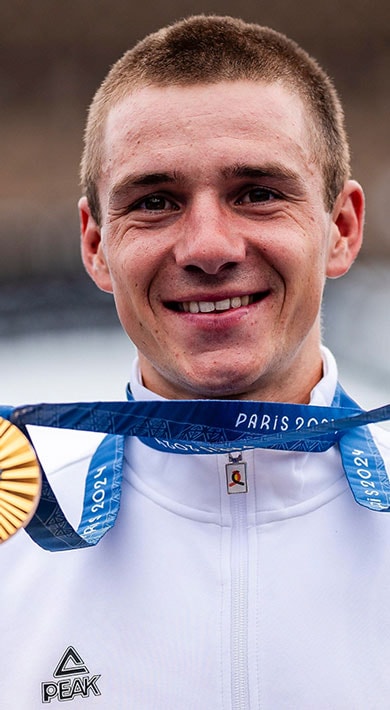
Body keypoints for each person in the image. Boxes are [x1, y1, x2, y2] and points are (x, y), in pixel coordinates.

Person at [1, 14, 389, 709]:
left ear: (342, 227)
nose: (207, 247)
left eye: (258, 193)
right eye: (155, 202)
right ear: (95, 246)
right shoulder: (14, 537)